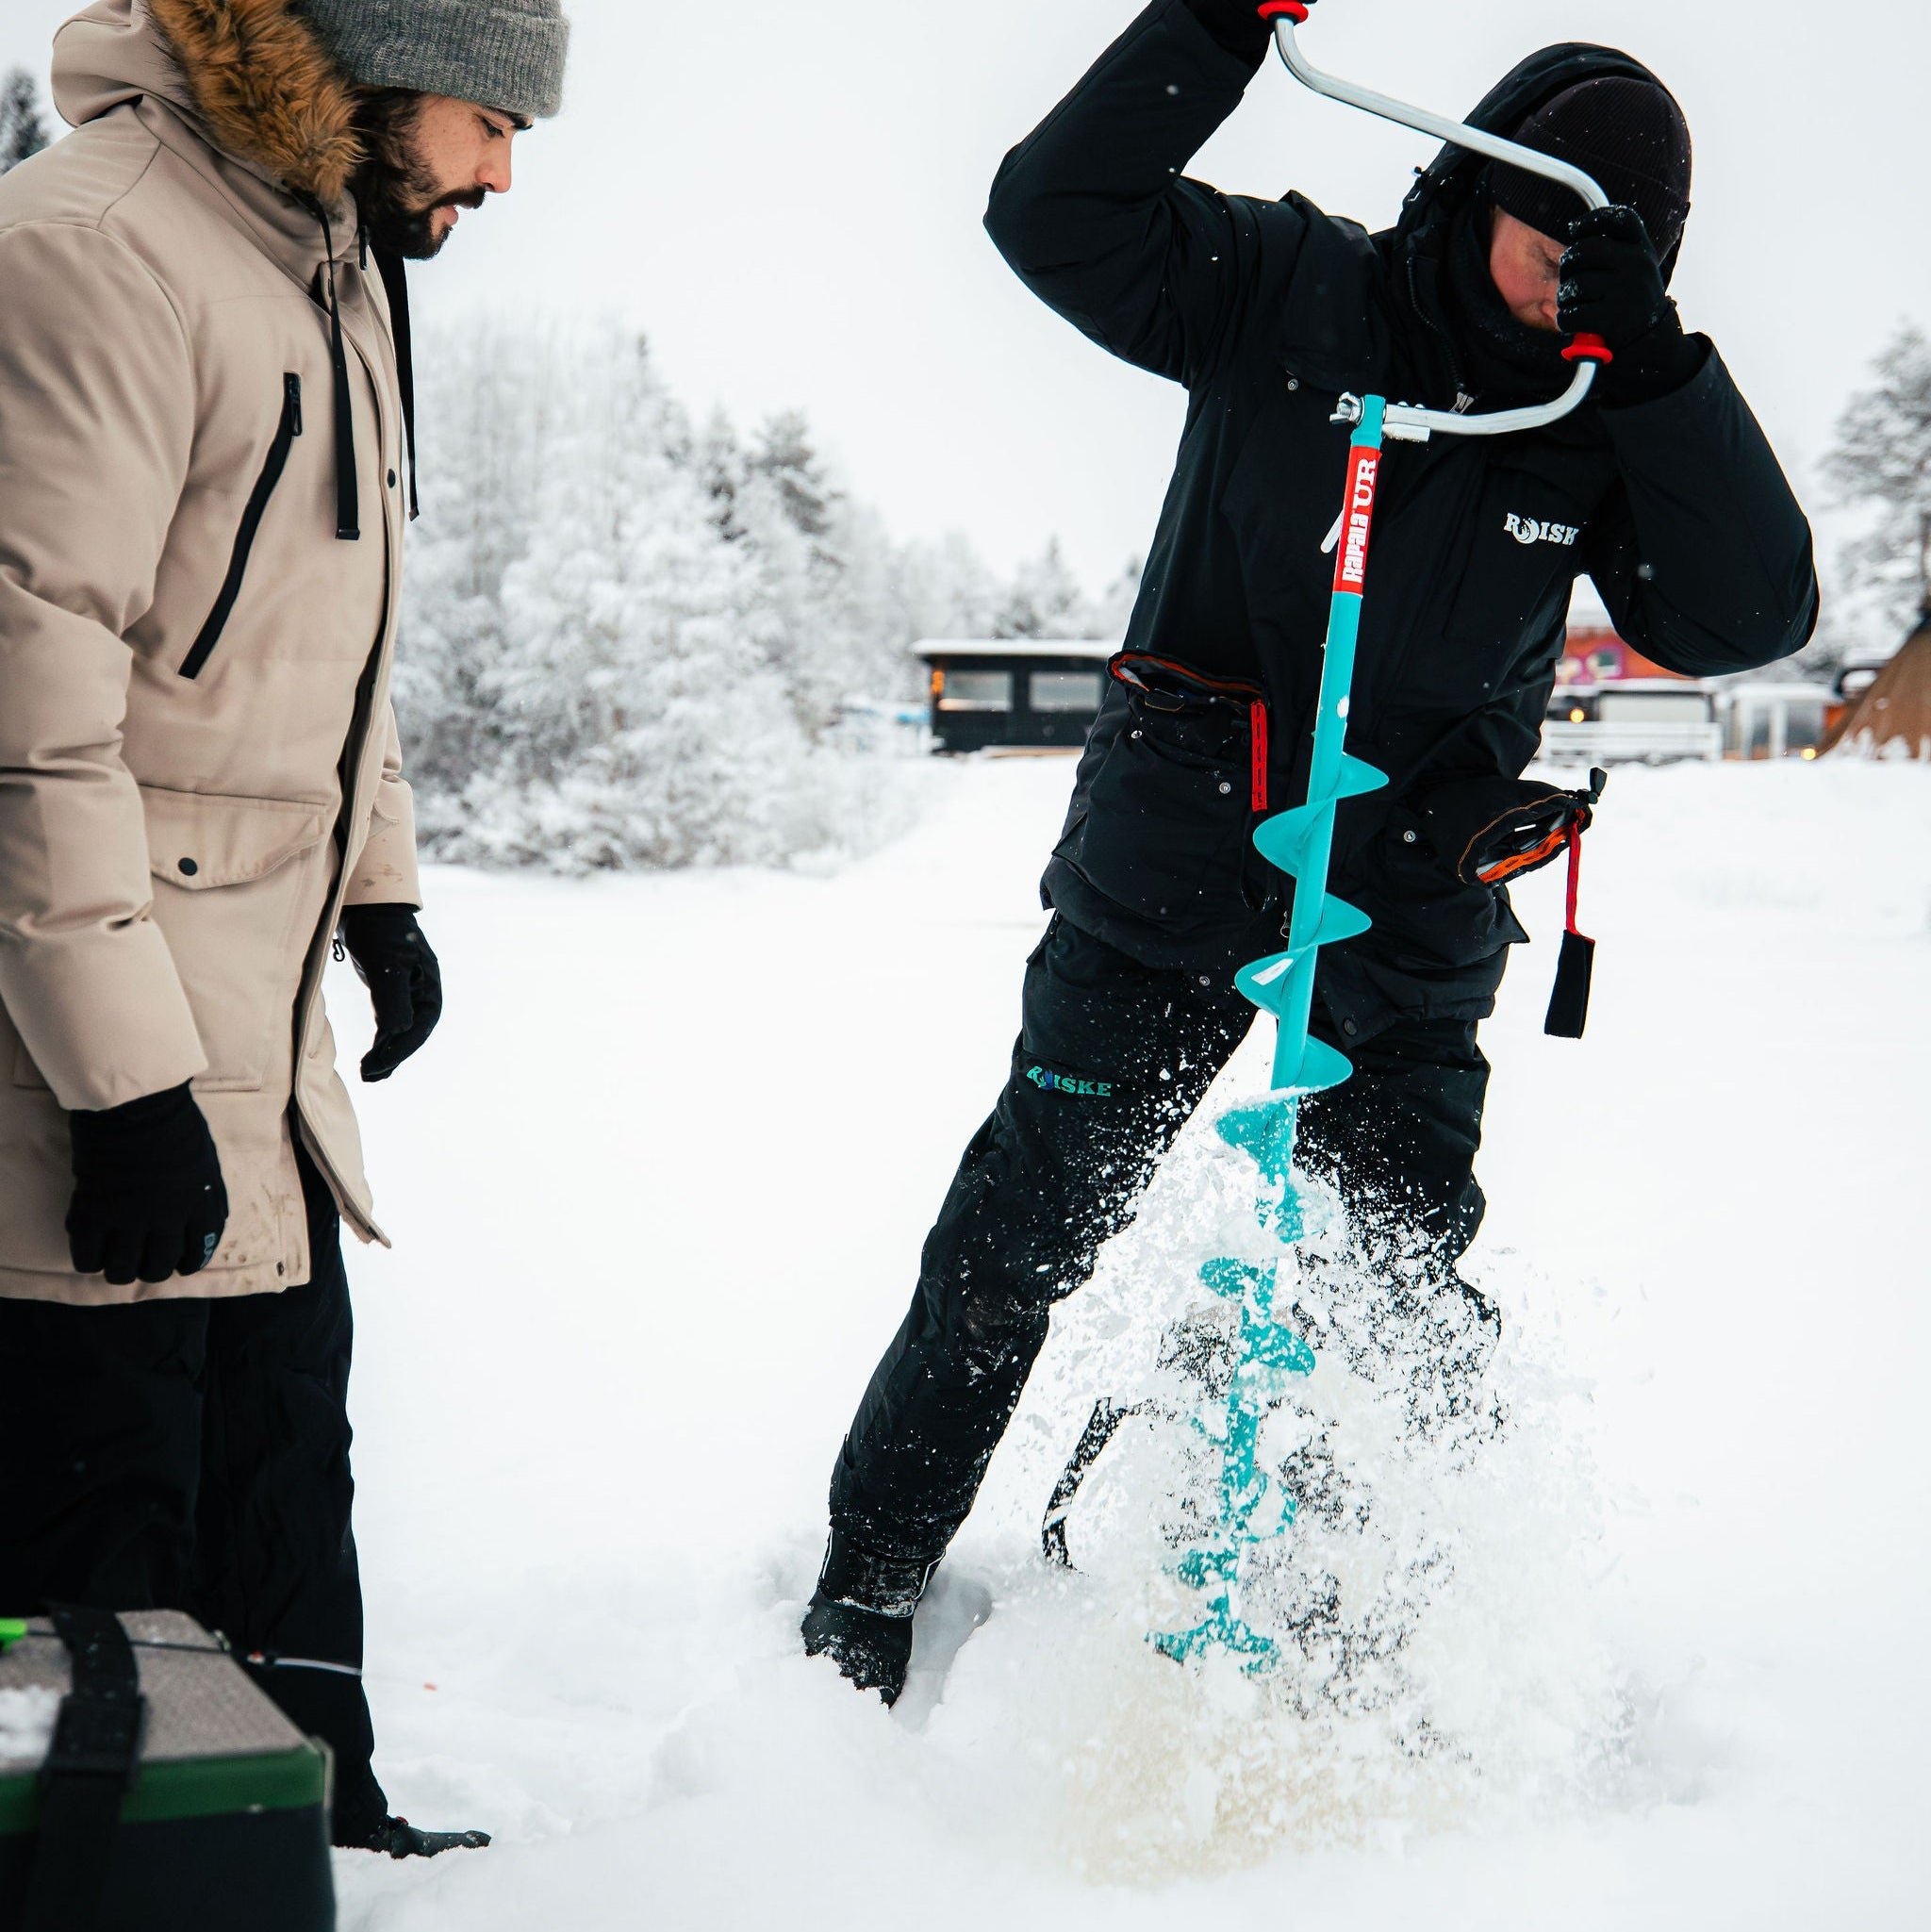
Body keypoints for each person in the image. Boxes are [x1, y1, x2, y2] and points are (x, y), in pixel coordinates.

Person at [803, 0, 1817, 1704]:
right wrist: (1209, 23)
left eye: (1612, 246)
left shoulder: (1600, 409)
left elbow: (1749, 613)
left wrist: (1660, 370)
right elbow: (1048, 214)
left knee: (1391, 1291)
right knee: (1016, 1239)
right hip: (1175, 869)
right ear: (1480, 180)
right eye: (1548, 218)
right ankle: (868, 1585)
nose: (1566, 266)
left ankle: (1344, 1616)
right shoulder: (1285, 286)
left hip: (1413, 915)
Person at [0, 0, 569, 1858]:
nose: (504, 167)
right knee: (107, 1504)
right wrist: (121, 1078)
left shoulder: (324, 270)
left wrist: (384, 885)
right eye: (491, 117)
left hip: (257, 1019)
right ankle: (139, 1889)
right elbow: (26, 708)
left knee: (272, 1452)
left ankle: (307, 1832)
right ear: (369, 60)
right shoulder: (96, 252)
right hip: (82, 1018)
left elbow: (322, 652)